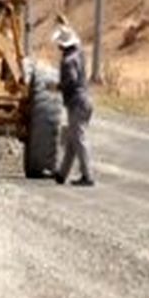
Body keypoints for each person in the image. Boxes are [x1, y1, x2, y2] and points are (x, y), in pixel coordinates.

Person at [53, 23, 95, 186]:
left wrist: (58, 86)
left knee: (78, 138)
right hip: (85, 101)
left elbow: (71, 80)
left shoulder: (67, 61)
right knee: (72, 140)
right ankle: (62, 174)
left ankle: (88, 175)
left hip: (77, 102)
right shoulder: (79, 54)